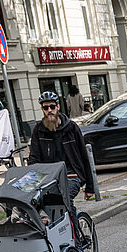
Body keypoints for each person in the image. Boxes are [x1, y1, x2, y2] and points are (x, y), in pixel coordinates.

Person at [28, 91, 97, 220]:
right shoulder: (39, 130)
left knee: (63, 198)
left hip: (72, 175)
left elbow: (84, 156)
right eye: (45, 107)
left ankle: (75, 236)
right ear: (42, 109)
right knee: (34, 201)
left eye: (52, 107)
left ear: (58, 107)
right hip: (49, 178)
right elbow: (34, 158)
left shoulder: (71, 128)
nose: (49, 110)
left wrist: (90, 187)